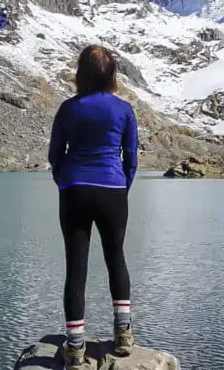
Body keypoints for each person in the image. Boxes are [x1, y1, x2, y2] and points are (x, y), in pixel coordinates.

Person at [48, 44, 139, 368]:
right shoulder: (123, 110)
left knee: (76, 267)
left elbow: (55, 155)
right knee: (116, 258)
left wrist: (65, 182)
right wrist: (120, 188)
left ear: (81, 75)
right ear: (112, 73)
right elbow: (131, 158)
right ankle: (123, 336)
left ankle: (74, 348)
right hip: (112, 189)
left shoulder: (68, 109)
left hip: (74, 188)